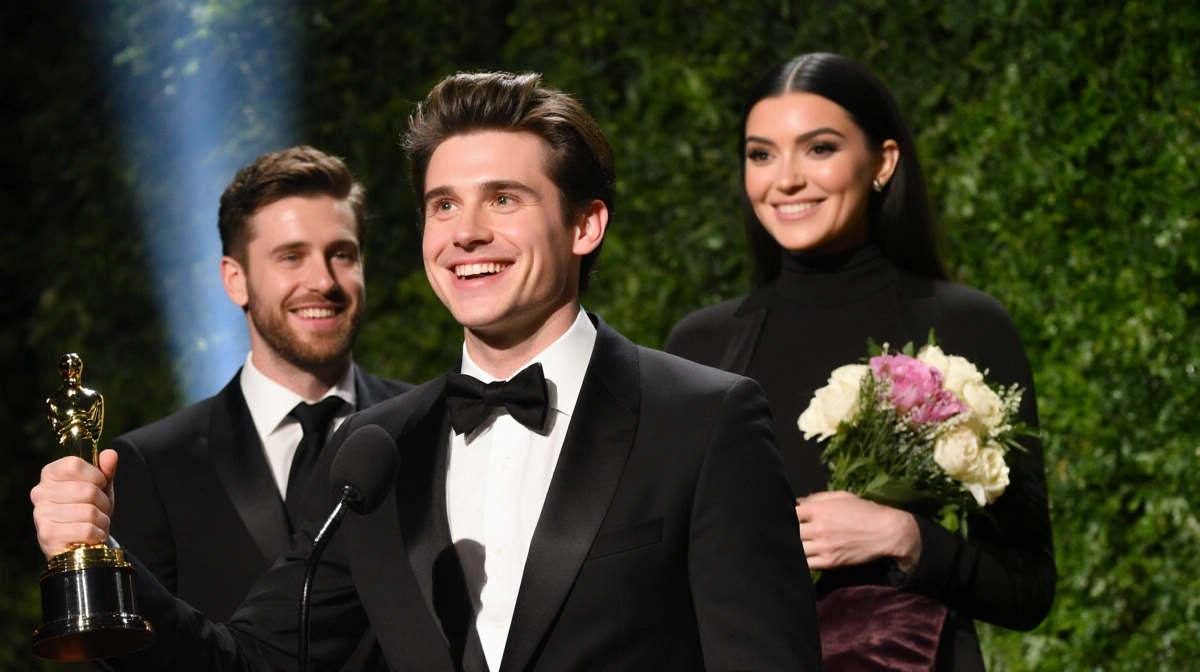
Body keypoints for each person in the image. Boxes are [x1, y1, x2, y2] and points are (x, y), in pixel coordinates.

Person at [31, 72, 821, 671]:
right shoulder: (375, 451)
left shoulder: (704, 420)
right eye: (443, 205)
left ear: (585, 224)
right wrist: (98, 560)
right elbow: (253, 660)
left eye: (503, 199)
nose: (465, 233)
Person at [665, 53, 1056, 670]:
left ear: (884, 162)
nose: (785, 179)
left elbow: (1028, 585)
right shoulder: (702, 344)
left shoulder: (966, 323)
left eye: (818, 148)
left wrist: (905, 538)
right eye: (761, 154)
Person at [106, 146, 413, 668]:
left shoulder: (426, 426)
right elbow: (135, 653)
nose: (323, 281)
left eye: (342, 254)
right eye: (291, 257)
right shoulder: (154, 465)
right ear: (235, 279)